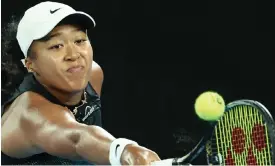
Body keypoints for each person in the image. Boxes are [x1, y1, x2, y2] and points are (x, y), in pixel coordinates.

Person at [1, 1, 161, 165]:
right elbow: (77, 139)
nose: (73, 55)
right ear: (30, 64)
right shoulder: (28, 114)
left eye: (79, 40)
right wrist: (124, 151)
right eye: (57, 46)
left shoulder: (93, 74)